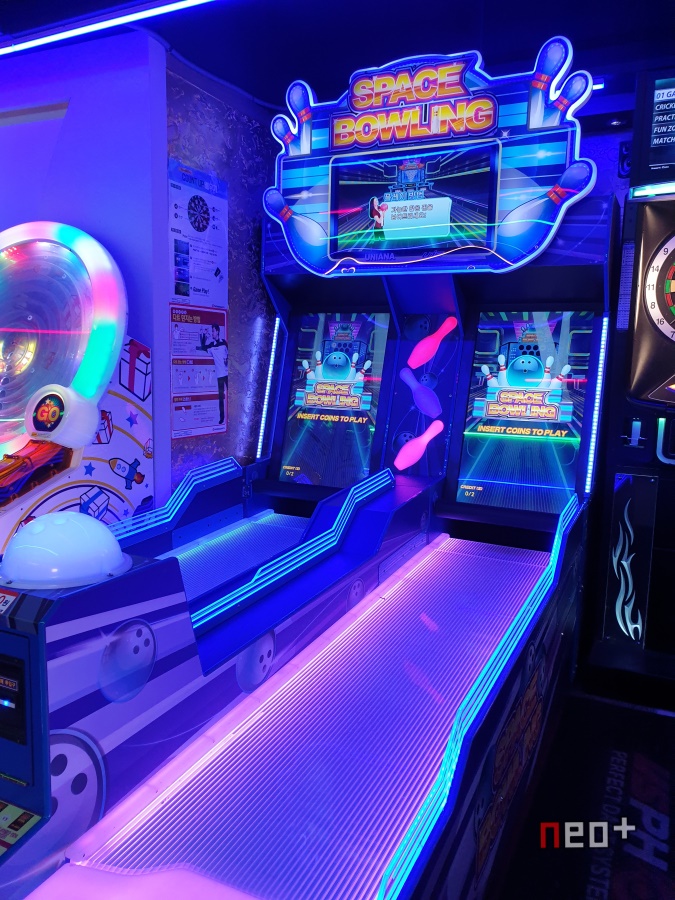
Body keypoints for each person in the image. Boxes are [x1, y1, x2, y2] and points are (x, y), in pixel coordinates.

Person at [197, 324, 228, 425]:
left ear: (217, 331)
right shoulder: (211, 345)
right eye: (212, 331)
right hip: (219, 376)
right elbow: (202, 347)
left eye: (213, 331)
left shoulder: (224, 343)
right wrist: (203, 335)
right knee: (221, 398)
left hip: (228, 375)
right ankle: (222, 418)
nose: (212, 333)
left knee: (232, 395)